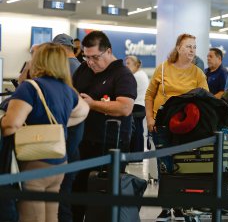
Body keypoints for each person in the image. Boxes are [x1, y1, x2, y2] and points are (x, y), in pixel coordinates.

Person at [1, 43, 89, 222]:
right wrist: (62, 123)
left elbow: (11, 125)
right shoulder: (67, 89)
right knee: (51, 216)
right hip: (59, 161)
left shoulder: (30, 87)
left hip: (35, 161)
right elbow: (84, 110)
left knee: (32, 217)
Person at [71, 31, 137, 222]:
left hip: (110, 147)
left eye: (95, 57)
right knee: (76, 196)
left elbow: (125, 107)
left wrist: (93, 104)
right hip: (82, 143)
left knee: (102, 203)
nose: (90, 62)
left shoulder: (123, 75)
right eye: (86, 56)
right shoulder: (83, 70)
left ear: (108, 51)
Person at [145, 33, 208, 222]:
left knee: (182, 167)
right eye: (188, 46)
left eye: (195, 47)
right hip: (162, 126)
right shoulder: (163, 69)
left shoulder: (198, 73)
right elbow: (149, 96)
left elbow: (206, 100)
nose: (192, 50)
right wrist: (149, 118)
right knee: (164, 166)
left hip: (187, 128)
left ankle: (180, 206)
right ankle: (165, 207)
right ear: (178, 48)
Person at [52, 33, 85, 222]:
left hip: (62, 142)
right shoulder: (79, 68)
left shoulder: (67, 69)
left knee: (60, 197)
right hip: (73, 140)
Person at [125, 55, 149, 161]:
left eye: (128, 63)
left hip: (137, 106)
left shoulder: (136, 76)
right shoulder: (141, 74)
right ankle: (137, 155)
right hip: (141, 105)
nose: (126, 66)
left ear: (136, 65)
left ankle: (136, 156)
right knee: (138, 130)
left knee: (136, 131)